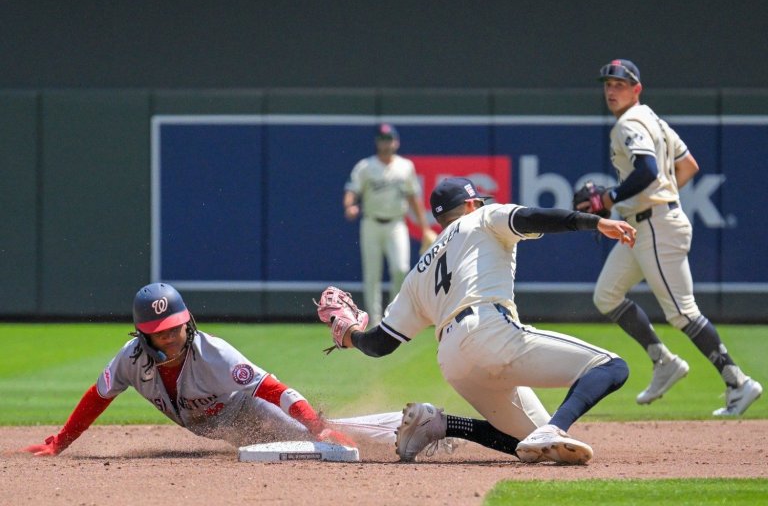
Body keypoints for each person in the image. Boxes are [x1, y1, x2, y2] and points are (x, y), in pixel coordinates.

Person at [319, 177, 637, 464]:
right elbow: (530, 217)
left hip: (454, 361)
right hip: (488, 331)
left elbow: (381, 344)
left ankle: (439, 424)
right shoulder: (482, 217)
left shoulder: (418, 274)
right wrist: (593, 222)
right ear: (471, 204)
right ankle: (555, 426)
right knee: (610, 366)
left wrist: (351, 335)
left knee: (534, 446)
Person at [20, 282, 401, 456]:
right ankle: (403, 427)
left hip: (248, 413)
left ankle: (409, 428)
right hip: (224, 429)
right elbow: (97, 396)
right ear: (142, 335)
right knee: (286, 444)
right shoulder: (130, 359)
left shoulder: (214, 353)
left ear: (188, 322)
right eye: (159, 333)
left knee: (314, 438)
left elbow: (273, 389)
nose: (170, 337)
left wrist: (317, 424)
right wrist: (61, 442)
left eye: (176, 328)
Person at [581, 58, 762, 416]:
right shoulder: (654, 120)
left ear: (636, 89)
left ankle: (738, 382)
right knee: (606, 295)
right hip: (645, 224)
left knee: (681, 313)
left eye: (620, 84)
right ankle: (664, 361)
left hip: (656, 228)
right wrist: (657, 196)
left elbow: (647, 170)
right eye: (608, 84)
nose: (612, 90)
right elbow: (688, 166)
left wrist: (612, 197)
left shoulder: (630, 123)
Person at [343, 123, 437, 325]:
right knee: (372, 274)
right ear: (377, 143)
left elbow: (414, 199)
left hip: (396, 223)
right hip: (371, 223)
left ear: (396, 142)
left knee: (401, 268)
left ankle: (392, 318)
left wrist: (425, 228)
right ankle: (375, 322)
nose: (386, 144)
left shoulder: (405, 166)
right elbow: (351, 191)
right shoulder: (365, 166)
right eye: (382, 140)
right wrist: (350, 206)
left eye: (389, 140)